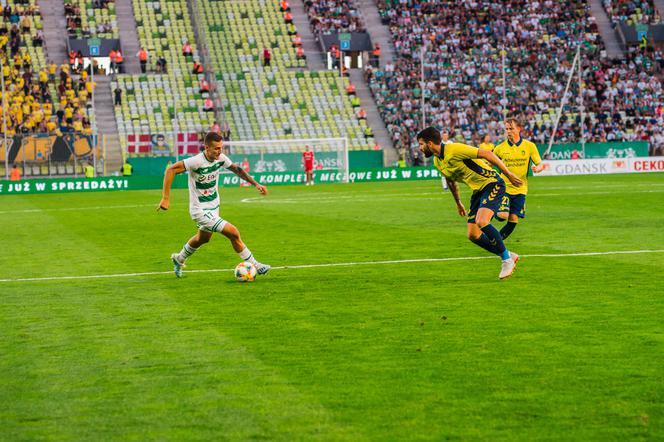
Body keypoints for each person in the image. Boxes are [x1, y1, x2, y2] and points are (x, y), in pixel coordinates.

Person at [158, 132, 271, 278]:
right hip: (199, 210)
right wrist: (165, 198)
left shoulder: (221, 158)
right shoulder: (196, 161)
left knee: (203, 238)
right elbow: (171, 170)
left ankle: (179, 259)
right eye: (216, 148)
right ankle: (256, 265)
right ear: (206, 147)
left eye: (221, 148)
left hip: (214, 207)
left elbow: (237, 169)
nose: (219, 151)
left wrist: (256, 184)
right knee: (233, 232)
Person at [416, 126, 523, 280]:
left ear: (430, 143)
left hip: (492, 183)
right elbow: (450, 180)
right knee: (473, 235)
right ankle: (508, 254)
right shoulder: (437, 161)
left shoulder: (454, 149)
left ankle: (506, 260)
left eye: (421, 144)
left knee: (482, 221)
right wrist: (458, 202)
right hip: (478, 191)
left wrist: (508, 174)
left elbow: (486, 153)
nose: (420, 148)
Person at [492, 117, 545, 240]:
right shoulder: (499, 148)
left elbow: (540, 164)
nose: (508, 131)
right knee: (502, 215)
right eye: (506, 129)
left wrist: (538, 169)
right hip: (503, 187)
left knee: (513, 220)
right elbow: (489, 163)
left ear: (519, 129)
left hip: (521, 189)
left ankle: (494, 243)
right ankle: (491, 207)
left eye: (511, 128)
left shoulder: (529, 146)